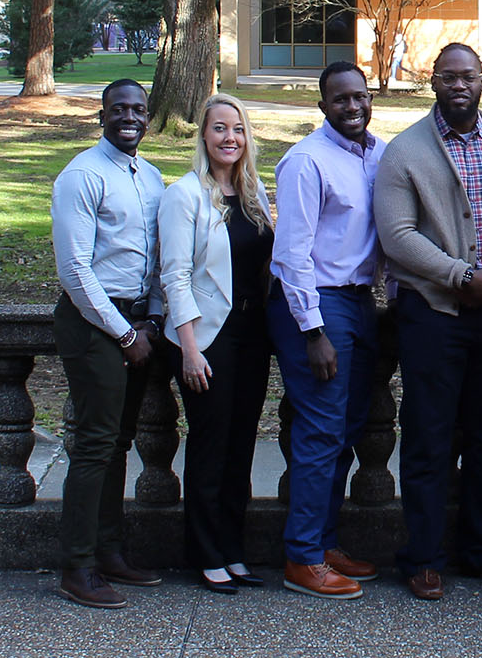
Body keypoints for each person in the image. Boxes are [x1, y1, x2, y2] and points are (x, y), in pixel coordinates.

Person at [374, 43, 482, 600]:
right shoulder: (405, 153)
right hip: (433, 316)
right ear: (434, 83)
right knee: (429, 438)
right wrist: (460, 277)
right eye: (448, 77)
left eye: (468, 75)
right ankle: (421, 557)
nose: (459, 85)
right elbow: (397, 237)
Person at [269, 61, 386, 600]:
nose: (353, 107)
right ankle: (302, 558)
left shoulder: (378, 154)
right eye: (341, 100)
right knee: (319, 431)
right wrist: (312, 330)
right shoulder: (305, 162)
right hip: (317, 305)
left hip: (361, 302)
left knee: (347, 430)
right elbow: (291, 254)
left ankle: (324, 540)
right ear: (322, 107)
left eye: (360, 97)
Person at [51, 79, 166, 609]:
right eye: (119, 109)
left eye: (138, 110)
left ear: (148, 117)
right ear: (101, 116)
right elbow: (75, 270)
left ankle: (110, 550)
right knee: (95, 443)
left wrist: (153, 322)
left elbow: (163, 261)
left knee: (120, 440)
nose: (130, 117)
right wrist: (123, 333)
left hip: (141, 323)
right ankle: (77, 565)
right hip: (94, 322)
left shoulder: (152, 177)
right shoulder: (81, 176)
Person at [158, 93, 274, 595]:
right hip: (208, 337)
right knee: (211, 444)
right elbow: (175, 276)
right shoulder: (184, 195)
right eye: (220, 129)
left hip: (252, 335)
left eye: (239, 129)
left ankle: (232, 549)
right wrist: (188, 349)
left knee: (242, 446)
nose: (230, 137)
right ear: (203, 136)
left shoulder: (253, 193)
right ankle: (205, 554)